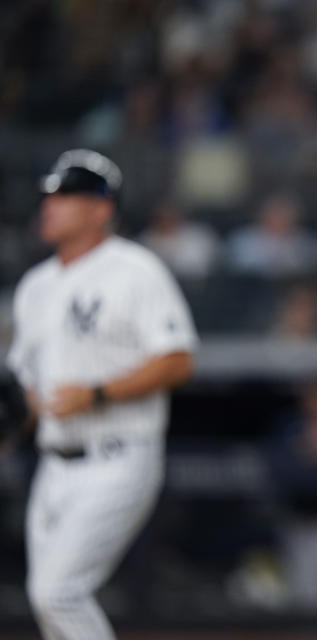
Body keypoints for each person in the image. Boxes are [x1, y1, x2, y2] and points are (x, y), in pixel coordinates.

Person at [6, 149, 197, 640]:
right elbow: (25, 392)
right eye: (48, 196)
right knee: (48, 603)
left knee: (57, 593)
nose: (50, 206)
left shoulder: (135, 270)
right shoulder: (35, 286)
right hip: (53, 464)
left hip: (118, 455)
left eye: (65, 195)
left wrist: (96, 393)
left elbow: (178, 359)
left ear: (101, 207)